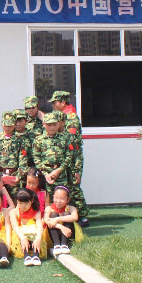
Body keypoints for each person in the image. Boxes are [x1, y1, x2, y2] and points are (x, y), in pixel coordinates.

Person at [50, 91, 89, 227]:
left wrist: (77, 168)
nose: (53, 105)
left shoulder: (71, 117)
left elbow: (72, 140)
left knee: (74, 186)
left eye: (55, 102)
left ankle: (83, 216)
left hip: (73, 157)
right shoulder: (63, 115)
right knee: (69, 186)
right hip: (68, 156)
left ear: (62, 102)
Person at [9, 188, 42, 266]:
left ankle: (35, 255)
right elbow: (15, 227)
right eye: (20, 203)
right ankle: (26, 256)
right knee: (21, 233)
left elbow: (39, 226)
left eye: (26, 203)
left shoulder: (36, 212)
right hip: (20, 236)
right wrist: (23, 238)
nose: (23, 206)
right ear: (17, 202)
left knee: (35, 231)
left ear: (31, 201)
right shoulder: (13, 212)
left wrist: (38, 239)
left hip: (33, 236)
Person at [0, 115, 25, 190]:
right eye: (6, 126)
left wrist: (18, 176)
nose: (7, 128)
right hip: (0, 175)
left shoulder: (20, 140)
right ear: (2, 124)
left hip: (14, 175)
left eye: (10, 126)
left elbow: (23, 159)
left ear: (14, 125)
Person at [45, 186, 79, 257]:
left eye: (62, 198)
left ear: (68, 199)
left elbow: (75, 217)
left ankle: (64, 244)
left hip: (68, 233)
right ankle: (56, 244)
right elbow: (46, 220)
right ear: (53, 197)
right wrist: (61, 227)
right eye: (56, 198)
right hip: (53, 235)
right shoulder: (49, 208)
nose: (58, 201)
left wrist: (57, 219)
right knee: (53, 214)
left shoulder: (71, 208)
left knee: (67, 214)